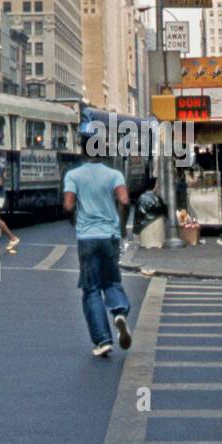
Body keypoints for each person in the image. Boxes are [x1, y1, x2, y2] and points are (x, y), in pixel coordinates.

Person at [63, 148, 132, 358]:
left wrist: (76, 223)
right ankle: (119, 312)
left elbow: (68, 205)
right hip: (109, 236)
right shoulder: (114, 175)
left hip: (87, 238)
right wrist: (121, 227)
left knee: (91, 288)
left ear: (82, 153)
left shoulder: (73, 175)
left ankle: (102, 340)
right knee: (112, 281)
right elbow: (125, 201)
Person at [133, 175, 168, 249]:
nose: (157, 186)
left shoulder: (142, 197)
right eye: (157, 184)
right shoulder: (155, 197)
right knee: (157, 242)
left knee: (148, 243)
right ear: (154, 185)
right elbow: (162, 209)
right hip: (156, 224)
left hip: (146, 225)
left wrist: (136, 229)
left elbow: (138, 214)